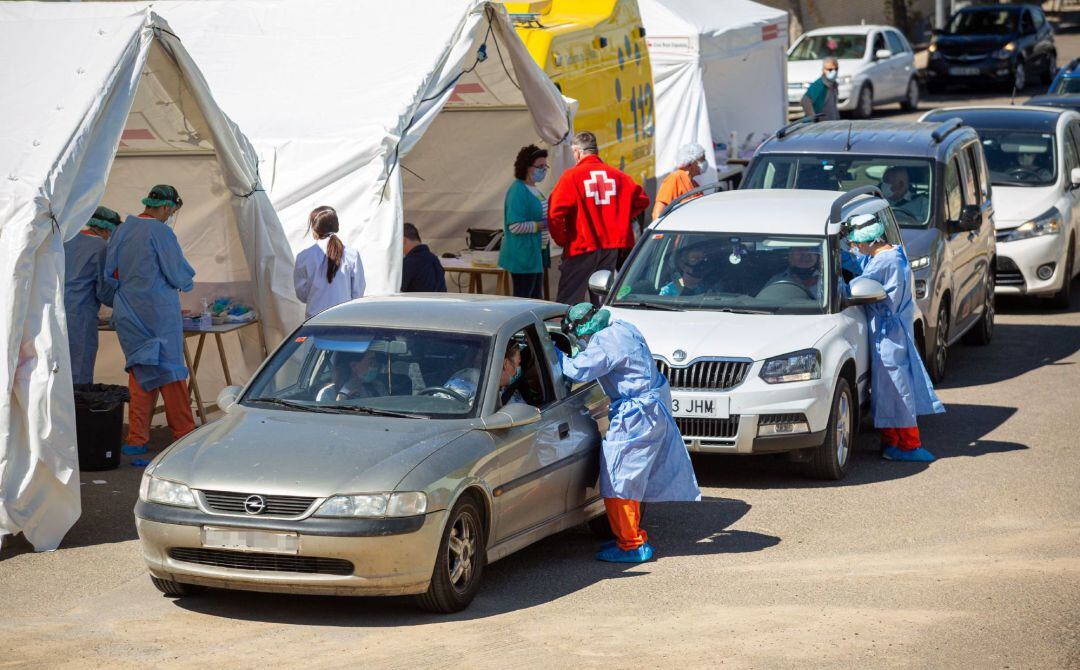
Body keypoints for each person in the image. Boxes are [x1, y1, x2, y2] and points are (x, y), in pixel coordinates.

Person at [557, 303, 700, 562]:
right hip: (650, 408)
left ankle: (631, 544)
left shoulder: (603, 342)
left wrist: (554, 354)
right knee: (629, 477)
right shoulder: (622, 327)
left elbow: (576, 370)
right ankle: (631, 538)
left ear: (583, 329)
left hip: (638, 415)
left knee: (618, 478)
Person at [104, 185, 196, 455]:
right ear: (167, 207)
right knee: (171, 375)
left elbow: (110, 274)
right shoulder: (161, 232)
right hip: (158, 313)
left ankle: (136, 438)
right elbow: (177, 273)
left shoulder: (122, 229)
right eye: (172, 211)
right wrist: (186, 281)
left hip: (129, 313)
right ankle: (184, 436)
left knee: (140, 373)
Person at [846, 214, 944, 462]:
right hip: (892, 331)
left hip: (888, 334)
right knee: (888, 389)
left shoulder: (883, 261)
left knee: (896, 389)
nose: (856, 246)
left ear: (869, 240)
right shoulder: (892, 253)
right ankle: (893, 442)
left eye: (858, 242)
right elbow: (863, 263)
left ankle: (909, 445)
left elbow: (855, 284)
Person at [549, 131, 650, 306]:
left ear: (577, 152)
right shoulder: (618, 175)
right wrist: (619, 217)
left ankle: (566, 334)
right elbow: (642, 201)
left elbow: (555, 214)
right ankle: (602, 332)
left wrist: (563, 240)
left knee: (569, 302)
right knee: (603, 300)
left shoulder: (571, 177)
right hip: (610, 248)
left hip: (581, 247)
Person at [64, 206, 121, 384]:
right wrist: (123, 303)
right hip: (80, 315)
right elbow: (104, 291)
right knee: (79, 369)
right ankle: (77, 411)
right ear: (106, 228)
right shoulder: (101, 247)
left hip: (56, 311)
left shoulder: (67, 240)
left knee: (58, 368)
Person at [294, 206, 366, 319]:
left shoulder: (304, 256)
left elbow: (302, 295)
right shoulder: (352, 255)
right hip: (344, 320)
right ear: (337, 226)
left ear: (314, 228)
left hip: (315, 321)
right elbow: (357, 293)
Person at [500, 145, 551, 299]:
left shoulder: (534, 189)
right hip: (523, 257)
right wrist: (539, 225)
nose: (544, 170)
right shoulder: (518, 190)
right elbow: (514, 226)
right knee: (525, 299)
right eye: (540, 166)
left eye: (545, 166)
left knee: (535, 299)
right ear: (527, 167)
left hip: (536, 254)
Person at [653, 143, 708, 220]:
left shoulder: (696, 186)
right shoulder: (675, 178)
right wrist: (659, 232)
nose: (705, 162)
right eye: (702, 159)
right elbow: (657, 213)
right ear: (690, 163)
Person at [316, 350, 388, 401]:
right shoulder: (328, 394)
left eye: (376, 362)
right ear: (354, 366)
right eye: (371, 362)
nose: (376, 366)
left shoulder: (378, 388)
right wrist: (343, 394)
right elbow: (328, 421)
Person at [400, 223, 446, 293]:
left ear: (403, 240)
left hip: (419, 303)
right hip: (441, 302)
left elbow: (396, 291)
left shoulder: (409, 263)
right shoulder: (434, 259)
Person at [800, 57, 840, 121]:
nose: (834, 71)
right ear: (823, 70)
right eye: (830, 70)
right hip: (819, 126)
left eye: (836, 69)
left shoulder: (834, 85)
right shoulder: (820, 84)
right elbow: (805, 101)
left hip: (829, 124)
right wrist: (813, 118)